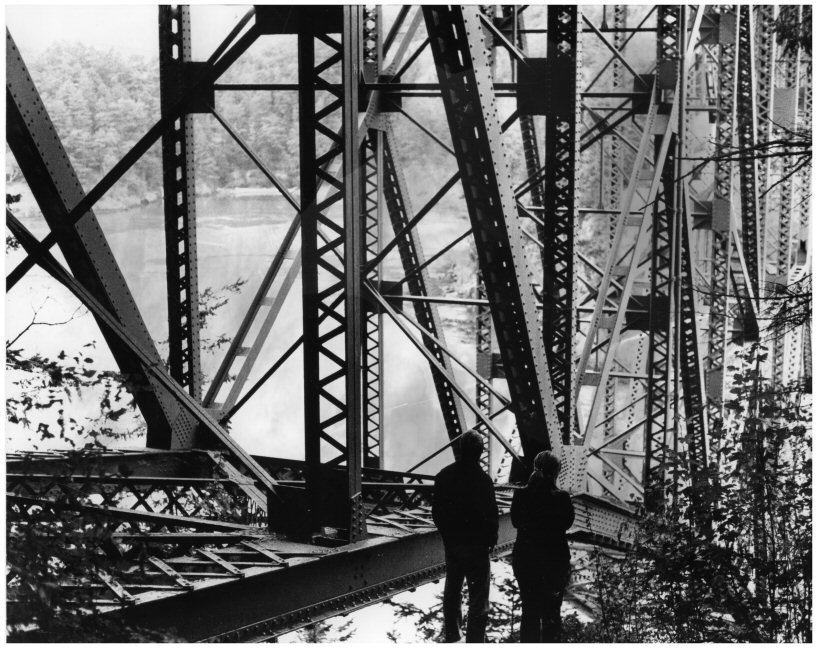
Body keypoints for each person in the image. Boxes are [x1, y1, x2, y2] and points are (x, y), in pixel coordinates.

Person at [432, 430, 499, 643]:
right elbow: (491, 515)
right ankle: (474, 641)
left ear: (460, 449)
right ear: (480, 452)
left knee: (452, 592)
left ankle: (453, 636)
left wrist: (447, 536)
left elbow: (437, 512)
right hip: (477, 548)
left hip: (454, 544)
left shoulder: (444, 475)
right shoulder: (484, 480)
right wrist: (490, 541)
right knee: (479, 599)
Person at [511, 450, 575, 643]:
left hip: (526, 562)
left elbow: (515, 521)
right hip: (554, 565)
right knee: (552, 615)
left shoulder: (521, 495)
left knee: (529, 612)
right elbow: (567, 523)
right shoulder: (561, 497)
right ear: (556, 472)